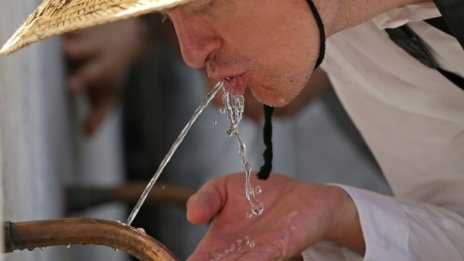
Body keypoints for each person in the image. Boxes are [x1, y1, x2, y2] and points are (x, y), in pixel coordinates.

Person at [1, 0, 463, 260]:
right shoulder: (347, 35)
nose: (190, 53)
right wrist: (337, 214)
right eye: (168, 16)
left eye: (203, 3)